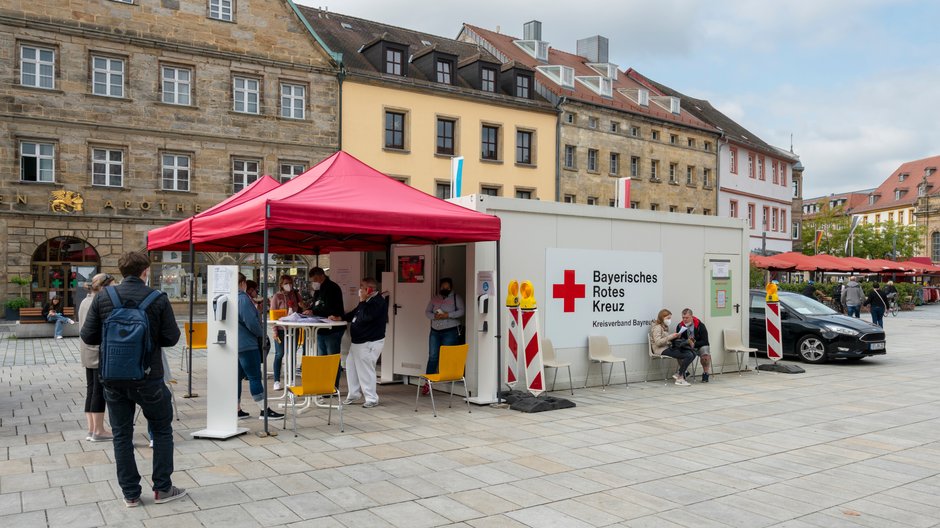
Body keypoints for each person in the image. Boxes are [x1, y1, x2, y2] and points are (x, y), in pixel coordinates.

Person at [79, 251, 186, 508]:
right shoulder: (157, 298)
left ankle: (131, 494)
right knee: (161, 430)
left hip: (113, 377)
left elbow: (88, 336)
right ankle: (163, 488)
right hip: (149, 377)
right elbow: (172, 338)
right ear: (145, 271)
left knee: (121, 435)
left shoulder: (104, 297)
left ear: (121, 270)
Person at [237, 273, 283, 420]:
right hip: (248, 344)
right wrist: (261, 333)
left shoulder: (229, 297)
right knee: (255, 376)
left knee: (236, 377)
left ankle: (236, 409)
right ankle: (264, 410)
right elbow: (251, 322)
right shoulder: (243, 299)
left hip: (236, 343)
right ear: (243, 283)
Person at [78, 273, 115, 442]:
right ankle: (99, 430)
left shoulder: (85, 301)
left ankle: (91, 429)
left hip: (87, 350)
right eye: (112, 286)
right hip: (96, 351)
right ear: (103, 287)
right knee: (98, 391)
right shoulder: (98, 302)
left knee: (91, 389)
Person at [341, 277, 387, 408]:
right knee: (351, 367)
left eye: (362, 287)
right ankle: (354, 393)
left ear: (369, 289)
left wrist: (362, 301)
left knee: (365, 370)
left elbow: (366, 317)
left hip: (369, 342)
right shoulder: (366, 301)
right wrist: (341, 317)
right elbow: (355, 313)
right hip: (357, 342)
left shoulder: (377, 302)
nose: (360, 289)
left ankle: (372, 398)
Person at [422, 278, 465, 395]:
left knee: (448, 357)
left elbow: (462, 311)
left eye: (447, 287)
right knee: (433, 356)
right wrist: (434, 316)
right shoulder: (435, 298)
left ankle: (449, 381)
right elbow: (427, 312)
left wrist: (448, 315)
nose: (445, 289)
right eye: (443, 287)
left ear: (451, 287)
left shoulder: (456, 298)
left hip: (450, 331)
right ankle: (427, 383)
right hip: (435, 330)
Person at [269, 274, 302, 390]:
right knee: (279, 354)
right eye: (286, 283)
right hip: (281, 330)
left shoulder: (295, 295)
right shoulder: (276, 297)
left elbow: (301, 308)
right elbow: (272, 315)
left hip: (294, 329)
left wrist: (300, 301)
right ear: (281, 285)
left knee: (292, 354)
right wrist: (275, 331)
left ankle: (292, 379)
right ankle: (277, 380)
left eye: (290, 283)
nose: (289, 285)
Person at [303, 267, 346, 356]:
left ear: (322, 276)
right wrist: (310, 309)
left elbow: (329, 307)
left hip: (332, 328)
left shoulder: (332, 288)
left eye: (316, 279)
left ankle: (335, 370)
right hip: (320, 328)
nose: (314, 282)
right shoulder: (318, 289)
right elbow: (316, 304)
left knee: (331, 357)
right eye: (312, 280)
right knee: (322, 357)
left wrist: (313, 312)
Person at [649, 309, 694, 386]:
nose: (669, 320)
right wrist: (671, 336)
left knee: (692, 353)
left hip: (667, 348)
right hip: (660, 350)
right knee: (688, 355)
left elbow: (666, 340)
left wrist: (675, 337)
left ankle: (679, 374)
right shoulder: (657, 328)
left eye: (670, 318)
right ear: (662, 318)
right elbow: (658, 342)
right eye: (668, 318)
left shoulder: (665, 327)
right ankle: (680, 378)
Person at [677, 308, 712, 382]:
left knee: (705, 351)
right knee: (678, 352)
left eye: (687, 318)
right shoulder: (680, 326)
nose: (685, 320)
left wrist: (694, 344)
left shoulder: (700, 325)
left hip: (698, 346)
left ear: (692, 317)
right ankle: (685, 372)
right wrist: (679, 338)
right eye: (683, 318)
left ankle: (705, 373)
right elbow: (678, 341)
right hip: (687, 346)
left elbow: (705, 341)